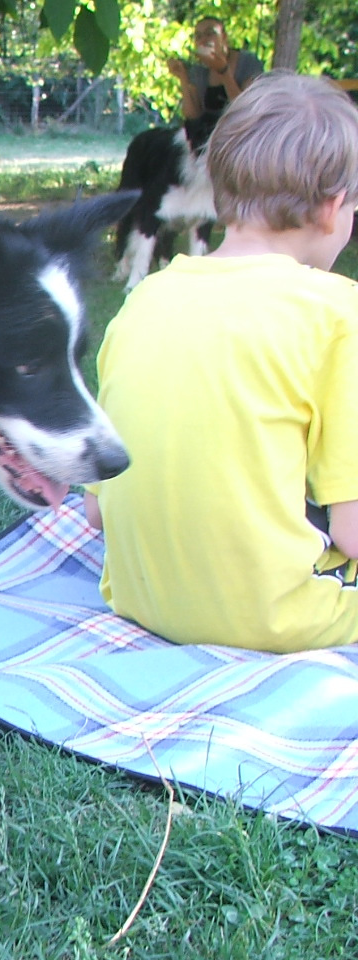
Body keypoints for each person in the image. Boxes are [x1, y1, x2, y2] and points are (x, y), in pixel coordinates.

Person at [84, 71, 358, 653]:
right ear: (334, 209)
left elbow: (96, 514)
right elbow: (353, 534)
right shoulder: (339, 312)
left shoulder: (142, 302)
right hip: (279, 615)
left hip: (141, 598)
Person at [167, 16, 263, 127]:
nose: (203, 40)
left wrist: (223, 71)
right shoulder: (199, 70)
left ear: (224, 37)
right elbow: (192, 115)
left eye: (209, 34)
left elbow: (245, 110)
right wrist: (183, 77)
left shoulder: (248, 61)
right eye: (198, 37)